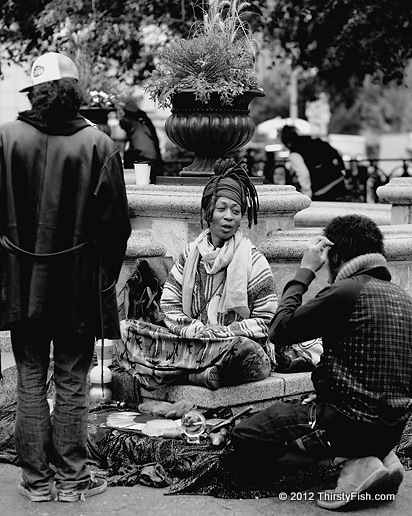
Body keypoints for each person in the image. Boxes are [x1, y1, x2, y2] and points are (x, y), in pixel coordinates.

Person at [0, 52, 131, 502]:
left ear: (34, 92)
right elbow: (116, 227)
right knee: (73, 380)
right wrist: (103, 279)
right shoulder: (98, 144)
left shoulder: (6, 137)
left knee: (31, 376)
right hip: (77, 283)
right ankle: (72, 481)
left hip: (21, 278)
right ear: (75, 94)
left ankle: (37, 484)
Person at [232, 214, 412, 510]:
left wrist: (304, 271)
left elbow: (279, 330)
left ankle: (352, 460)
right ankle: (379, 455)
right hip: (392, 429)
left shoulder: (346, 291)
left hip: (346, 423)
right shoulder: (403, 298)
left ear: (335, 255)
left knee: (245, 436)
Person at [116, 158, 278, 390]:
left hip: (229, 345)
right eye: (222, 209)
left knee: (248, 354)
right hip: (193, 340)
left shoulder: (254, 260)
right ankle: (199, 374)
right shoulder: (190, 253)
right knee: (127, 330)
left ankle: (177, 373)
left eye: (236, 211)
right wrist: (197, 330)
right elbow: (169, 306)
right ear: (208, 212)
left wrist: (224, 332)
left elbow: (266, 321)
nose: (229, 217)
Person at [280, 125, 346, 201]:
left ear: (286, 143)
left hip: (322, 190)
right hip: (338, 180)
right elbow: (337, 154)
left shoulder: (294, 153)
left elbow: (303, 173)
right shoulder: (316, 141)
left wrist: (307, 194)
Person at [119, 96, 163, 184]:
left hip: (143, 155)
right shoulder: (144, 121)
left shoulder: (133, 123)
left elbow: (122, 122)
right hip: (150, 156)